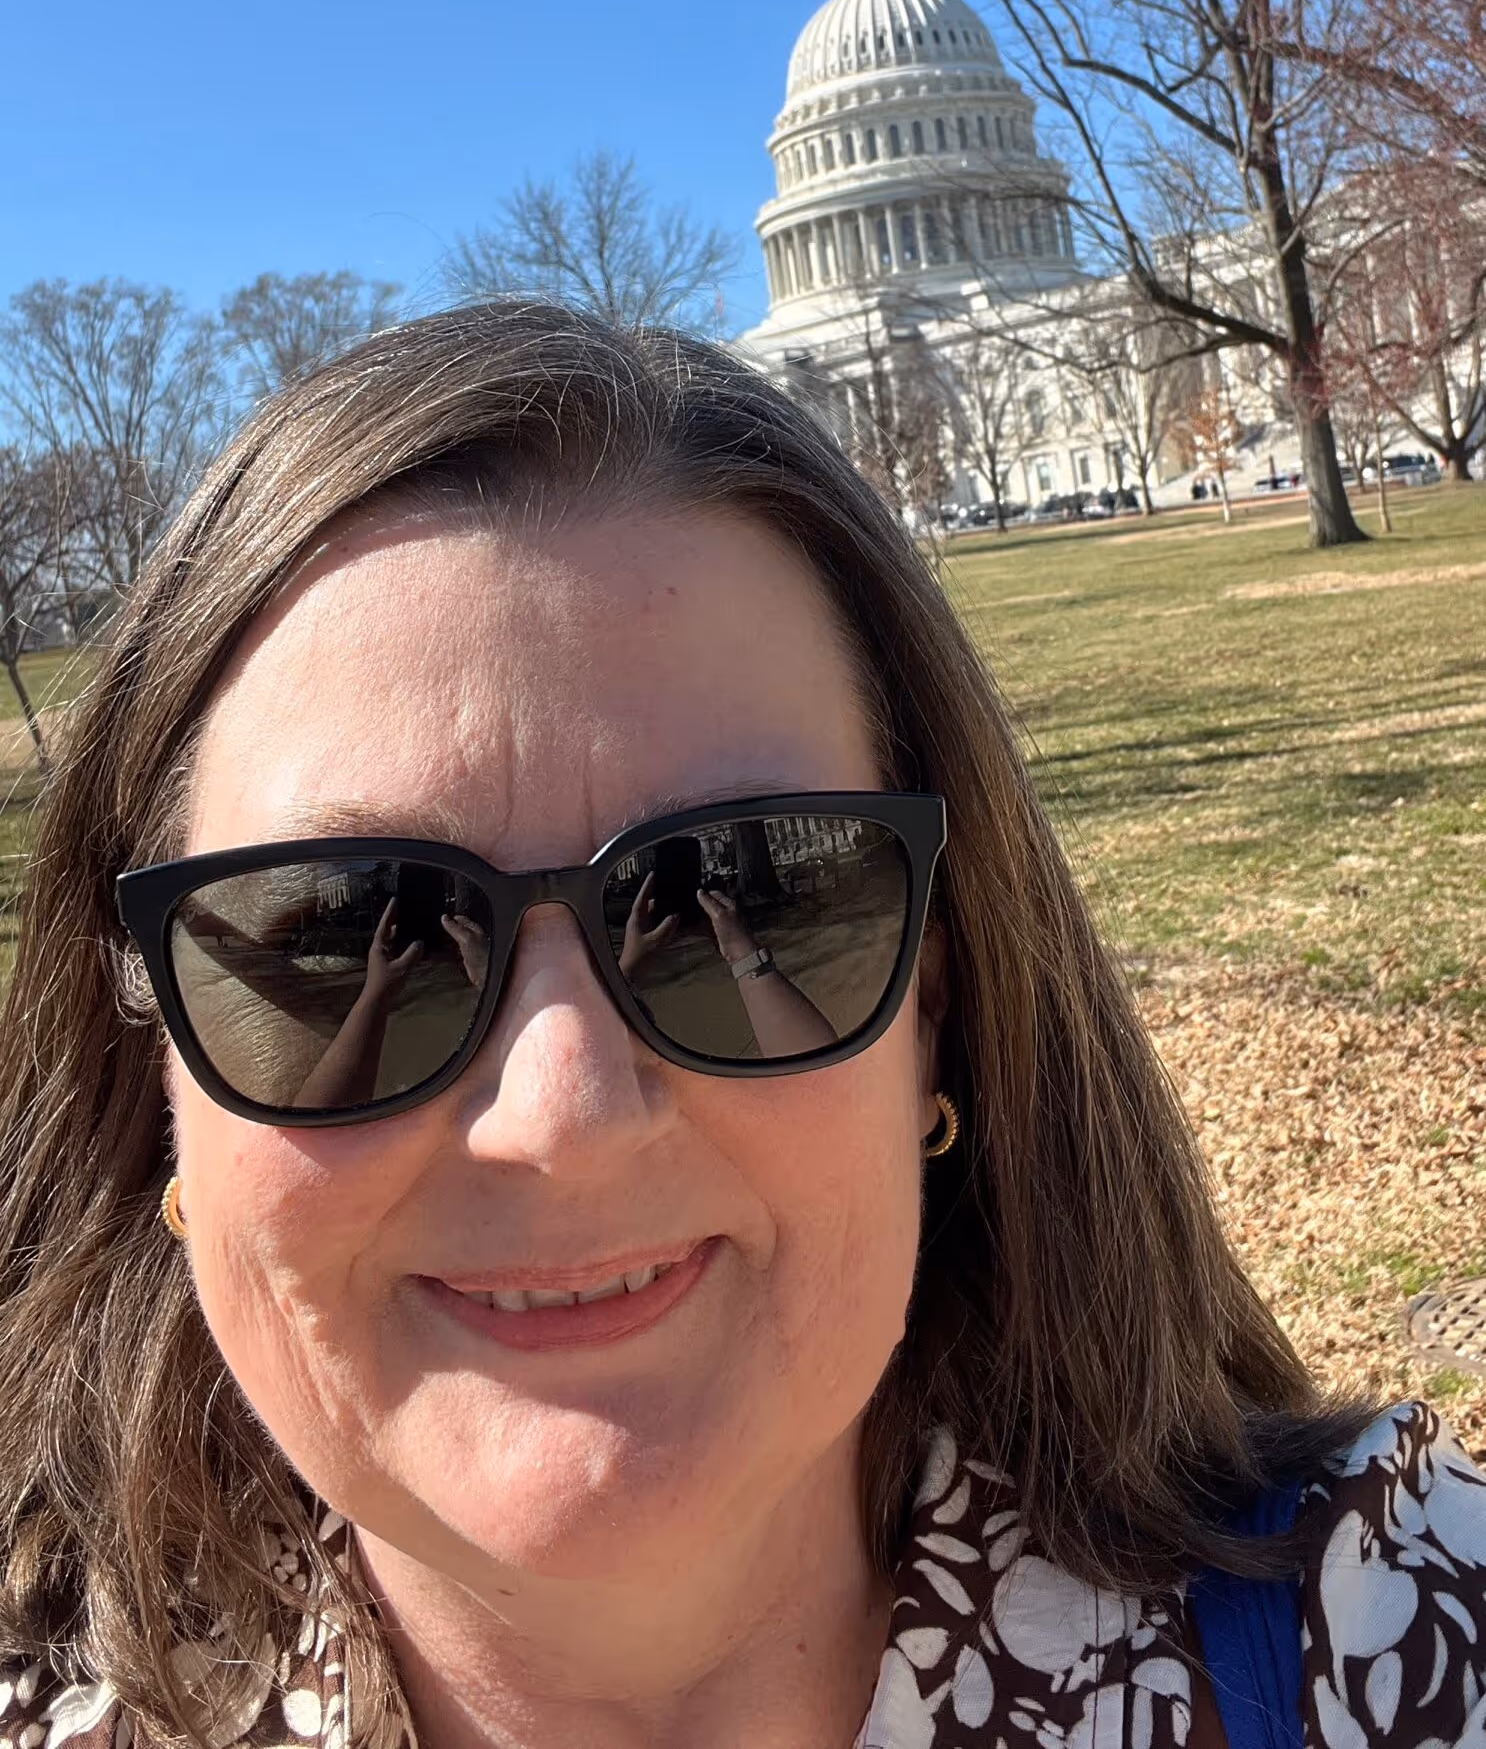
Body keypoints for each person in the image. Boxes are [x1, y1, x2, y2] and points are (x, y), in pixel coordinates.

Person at [0, 300, 1480, 1749]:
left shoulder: (1380, 1638)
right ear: (158, 1073)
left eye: (749, 893)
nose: (564, 1110)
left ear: (934, 1017)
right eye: (346, 931)